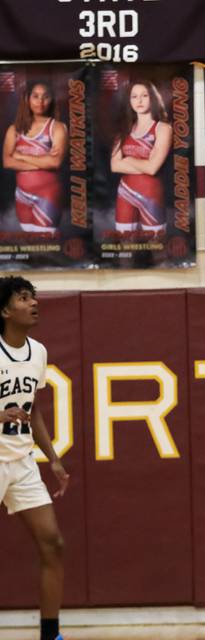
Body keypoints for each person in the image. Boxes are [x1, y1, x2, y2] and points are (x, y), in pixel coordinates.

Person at [0, 276, 69, 640]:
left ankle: (50, 635)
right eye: (24, 298)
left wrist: (53, 458)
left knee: (53, 544)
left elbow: (34, 408)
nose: (33, 303)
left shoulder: (37, 352)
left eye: (34, 297)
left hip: (21, 460)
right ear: (5, 310)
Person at [2, 80, 67, 234]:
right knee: (29, 244)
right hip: (22, 196)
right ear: (27, 99)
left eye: (45, 97)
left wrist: (20, 155)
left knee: (46, 248)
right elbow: (7, 162)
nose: (40, 101)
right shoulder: (14, 129)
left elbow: (55, 162)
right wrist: (43, 162)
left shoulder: (57, 127)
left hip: (48, 194)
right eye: (35, 96)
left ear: (52, 100)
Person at [110, 81, 172, 234]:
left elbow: (152, 168)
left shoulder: (163, 128)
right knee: (125, 251)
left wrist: (128, 160)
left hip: (151, 194)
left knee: (157, 250)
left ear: (153, 98)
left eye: (144, 96)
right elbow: (114, 166)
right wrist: (144, 163)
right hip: (124, 193)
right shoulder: (124, 130)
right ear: (129, 101)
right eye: (134, 97)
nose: (139, 100)